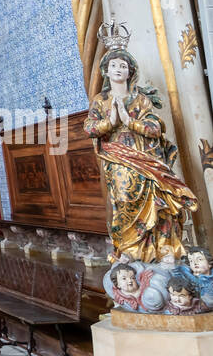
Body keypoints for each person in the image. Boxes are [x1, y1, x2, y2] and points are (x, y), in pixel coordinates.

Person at [85, 39, 198, 262]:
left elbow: (155, 127)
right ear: (106, 71)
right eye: (114, 65)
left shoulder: (141, 99)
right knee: (124, 199)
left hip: (146, 157)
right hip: (118, 159)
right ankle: (129, 248)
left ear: (130, 72)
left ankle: (163, 248)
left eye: (123, 66)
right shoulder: (100, 101)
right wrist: (111, 121)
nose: (119, 69)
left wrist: (129, 120)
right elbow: (89, 128)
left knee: (160, 202)